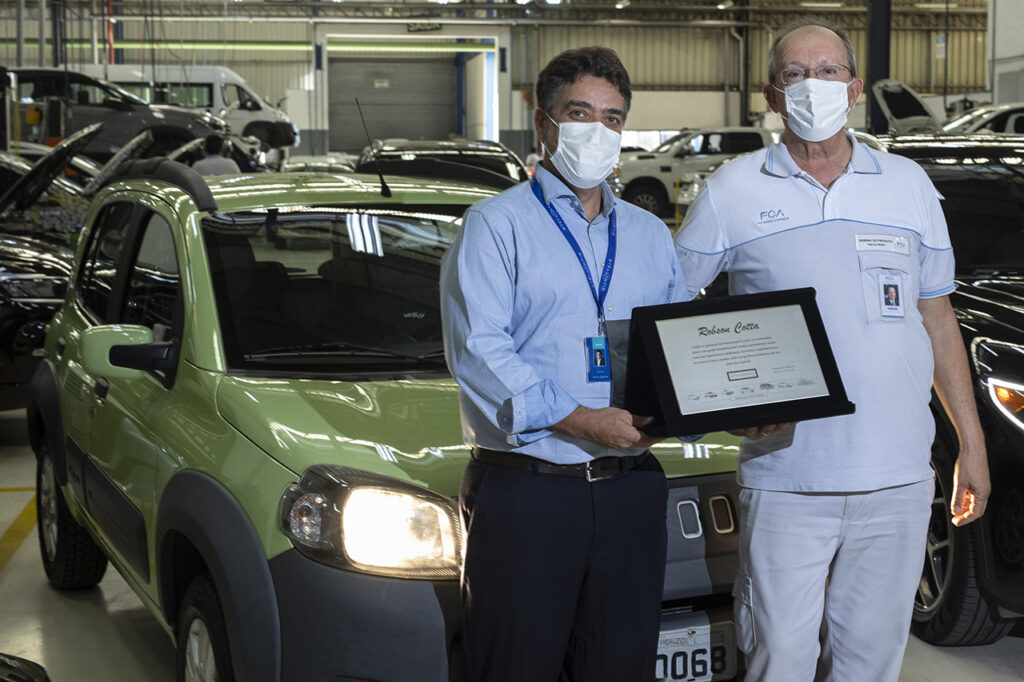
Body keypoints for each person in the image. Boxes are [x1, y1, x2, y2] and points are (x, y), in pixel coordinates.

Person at [675, 18, 990, 682]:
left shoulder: (907, 187)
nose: (811, 87)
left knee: (870, 663)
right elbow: (672, 310)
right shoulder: (734, 190)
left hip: (899, 478)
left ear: (854, 89)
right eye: (795, 75)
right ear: (770, 94)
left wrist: (971, 445)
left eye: (826, 73)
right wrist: (721, 403)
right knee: (780, 658)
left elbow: (937, 319)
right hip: (788, 479)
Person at [440, 46, 709, 682]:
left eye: (613, 119)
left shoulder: (647, 235)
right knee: (516, 666)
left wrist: (726, 408)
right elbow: (480, 351)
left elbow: (678, 348)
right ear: (543, 123)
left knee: (620, 665)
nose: (598, 131)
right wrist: (581, 421)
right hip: (530, 492)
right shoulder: (494, 227)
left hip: (631, 490)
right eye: (580, 112)